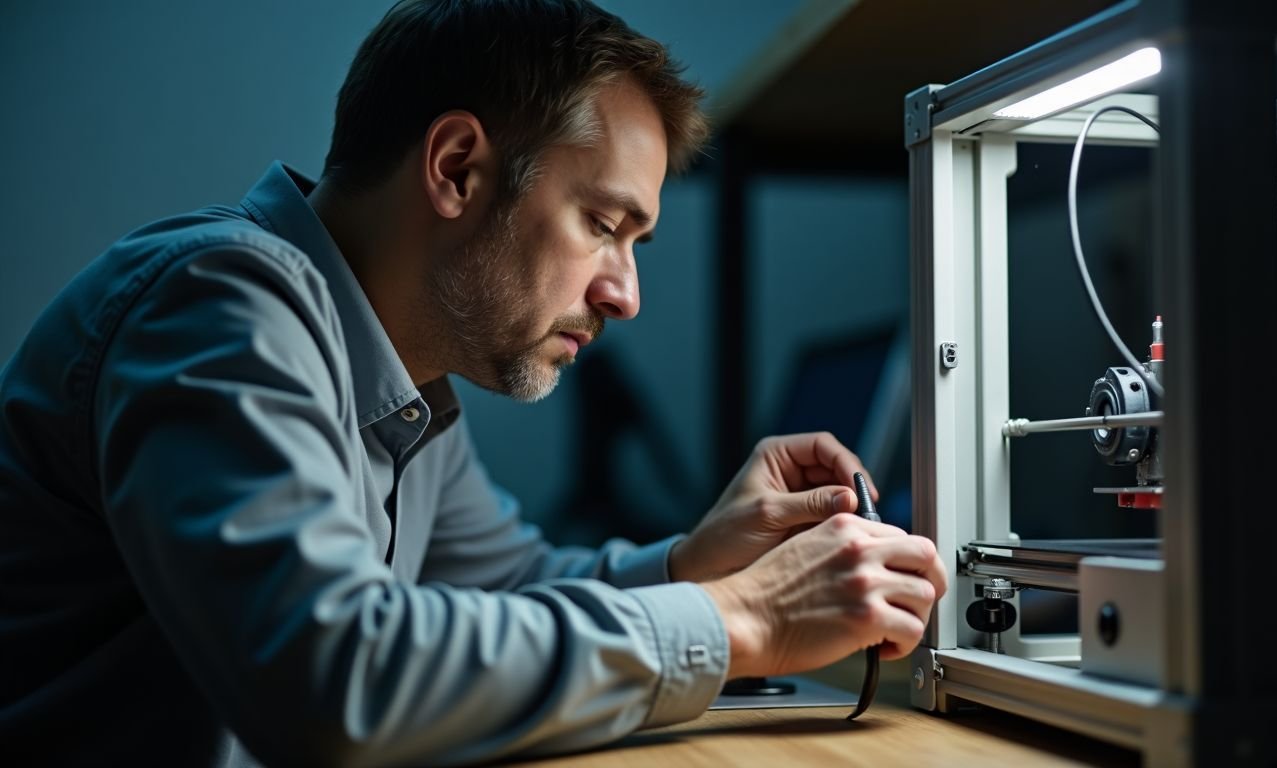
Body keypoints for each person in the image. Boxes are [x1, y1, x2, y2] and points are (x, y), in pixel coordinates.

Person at [0, 1, 946, 764]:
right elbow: (337, 682)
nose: (626, 295)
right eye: (603, 224)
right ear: (457, 169)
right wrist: (745, 619)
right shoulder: (220, 303)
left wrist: (694, 566)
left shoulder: (400, 378)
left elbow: (510, 583)